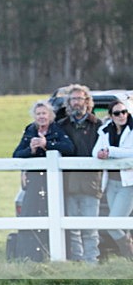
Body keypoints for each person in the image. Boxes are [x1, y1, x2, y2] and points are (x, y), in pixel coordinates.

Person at [12, 100, 75, 261]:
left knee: (53, 214)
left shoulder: (58, 130)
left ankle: (54, 254)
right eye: (38, 114)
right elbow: (16, 155)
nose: (41, 117)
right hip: (33, 183)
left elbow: (69, 148)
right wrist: (31, 150)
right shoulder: (29, 131)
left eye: (44, 113)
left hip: (52, 183)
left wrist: (48, 144)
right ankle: (29, 256)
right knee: (29, 215)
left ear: (50, 115)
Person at [58, 84, 103, 263]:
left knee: (90, 227)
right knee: (72, 228)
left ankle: (91, 262)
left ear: (87, 101)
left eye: (80, 98)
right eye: (74, 99)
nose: (77, 102)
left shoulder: (98, 125)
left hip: (91, 183)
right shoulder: (62, 126)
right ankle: (77, 262)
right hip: (68, 183)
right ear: (69, 103)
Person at [92, 99, 133, 259]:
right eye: (117, 113)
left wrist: (110, 151)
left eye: (124, 112)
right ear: (111, 116)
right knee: (122, 224)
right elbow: (95, 151)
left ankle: (130, 255)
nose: (121, 115)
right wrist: (102, 153)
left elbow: (130, 152)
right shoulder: (105, 130)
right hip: (111, 183)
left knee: (113, 224)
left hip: (128, 183)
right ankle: (129, 262)